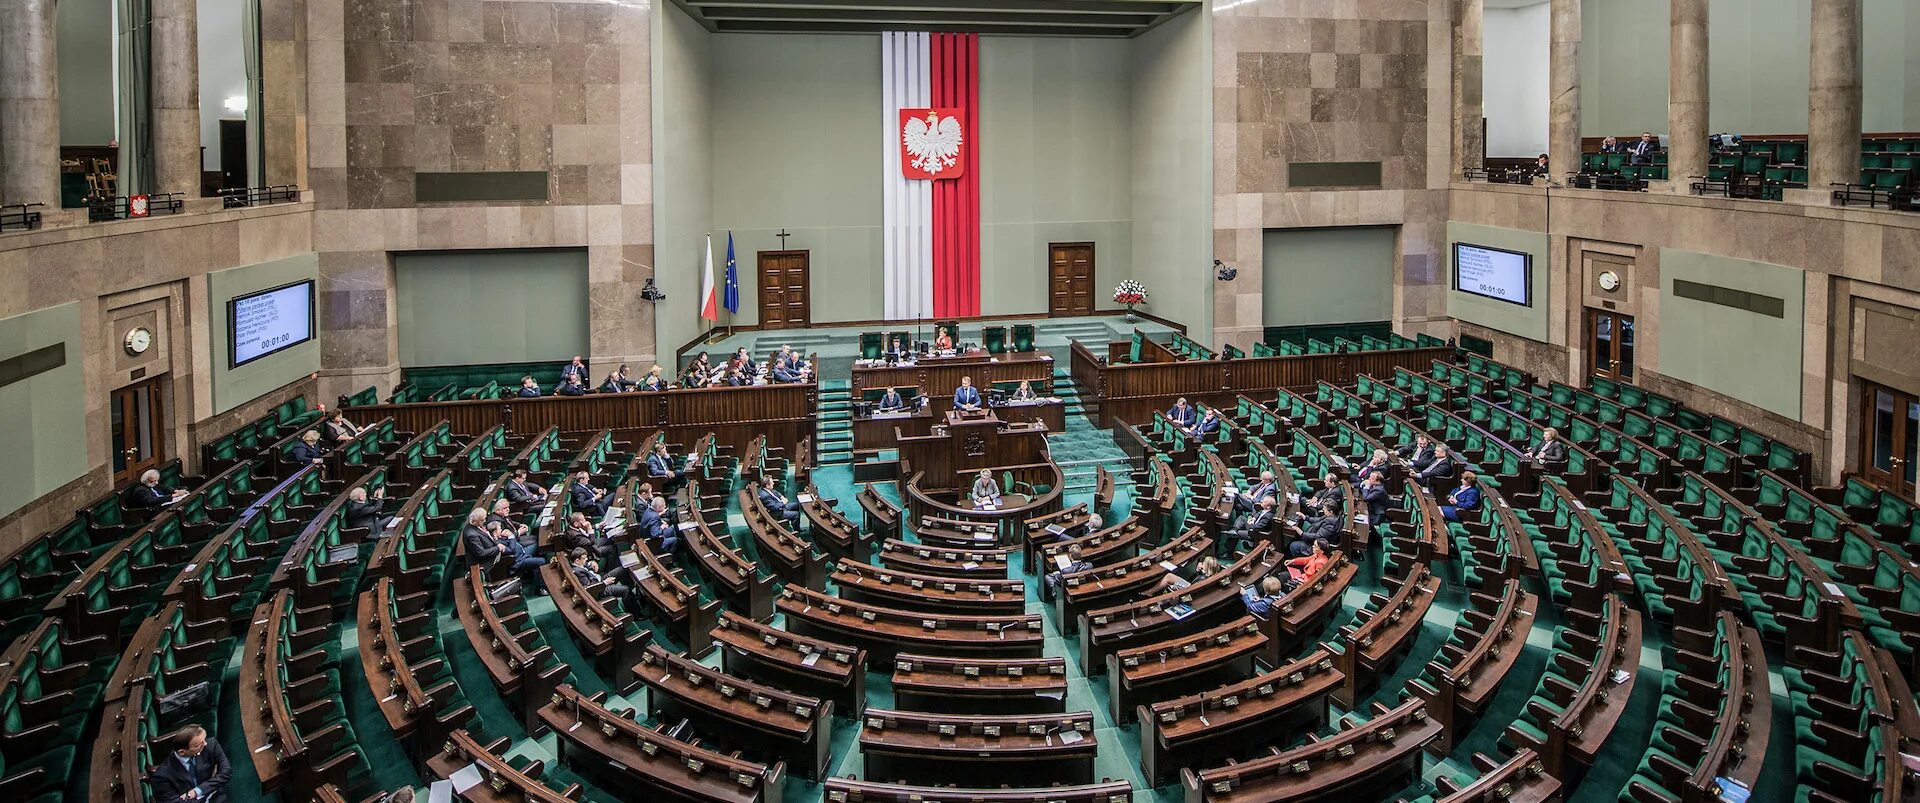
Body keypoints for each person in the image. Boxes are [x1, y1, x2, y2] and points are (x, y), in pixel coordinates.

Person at [146, 724, 232, 803]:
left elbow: (226, 772)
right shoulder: (161, 776)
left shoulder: (211, 745)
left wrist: (197, 791)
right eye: (197, 745)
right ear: (182, 752)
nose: (205, 744)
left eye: (204, 739)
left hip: (214, 796)